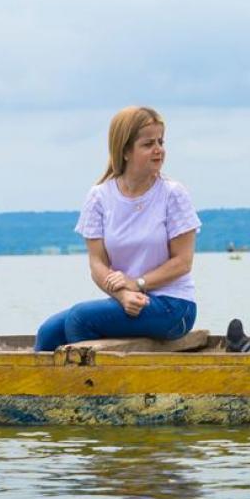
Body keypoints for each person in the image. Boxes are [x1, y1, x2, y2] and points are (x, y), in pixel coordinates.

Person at [35, 106, 201, 352]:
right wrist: (123, 294)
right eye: (148, 144)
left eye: (160, 142)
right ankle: (38, 391)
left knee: (80, 318)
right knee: (49, 331)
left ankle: (96, 390)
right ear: (125, 151)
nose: (159, 150)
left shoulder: (173, 194)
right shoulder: (99, 196)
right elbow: (97, 264)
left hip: (174, 306)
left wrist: (138, 283)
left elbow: (183, 262)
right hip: (126, 300)